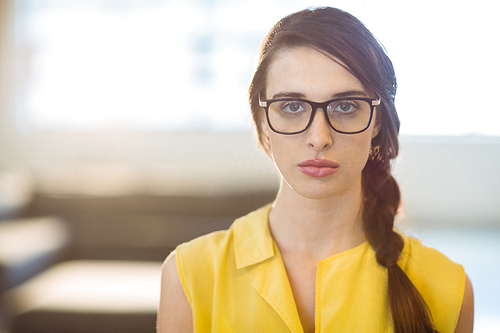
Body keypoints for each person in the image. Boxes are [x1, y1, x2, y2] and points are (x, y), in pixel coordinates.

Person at [157, 7, 474, 333]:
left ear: (376, 121)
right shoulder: (189, 275)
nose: (319, 138)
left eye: (346, 106)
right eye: (292, 107)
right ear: (263, 121)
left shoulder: (448, 287)